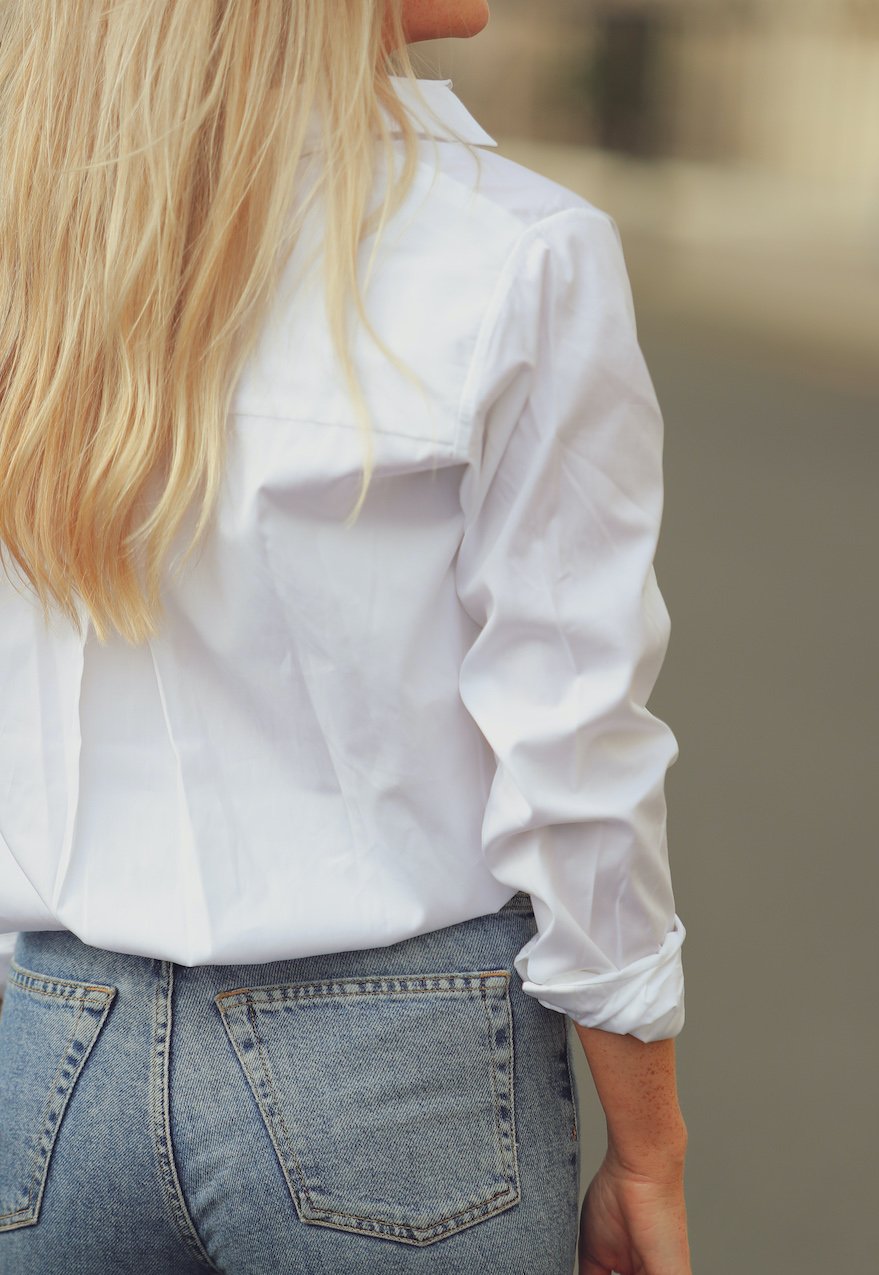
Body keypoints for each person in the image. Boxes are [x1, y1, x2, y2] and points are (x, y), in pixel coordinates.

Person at [0, 2, 691, 1273]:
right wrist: (649, 1144)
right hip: (393, 1074)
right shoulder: (513, 251)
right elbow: (572, 748)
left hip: (51, 1057)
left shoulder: (31, 226)